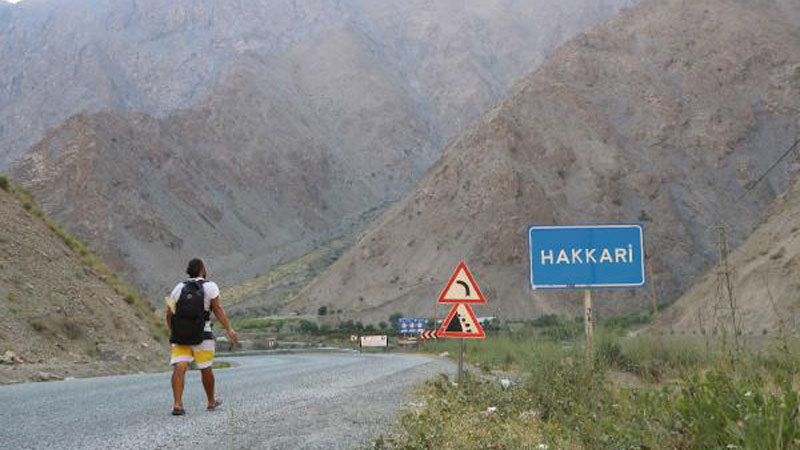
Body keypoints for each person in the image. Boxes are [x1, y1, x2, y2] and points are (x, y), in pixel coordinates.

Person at [165, 258, 238, 416]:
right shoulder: (210, 286)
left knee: (180, 366)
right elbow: (217, 309)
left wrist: (174, 330)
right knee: (205, 367)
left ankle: (177, 404)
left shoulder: (178, 287)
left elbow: (169, 312)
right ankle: (211, 402)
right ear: (202, 269)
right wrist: (229, 329)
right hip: (203, 333)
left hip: (180, 335)